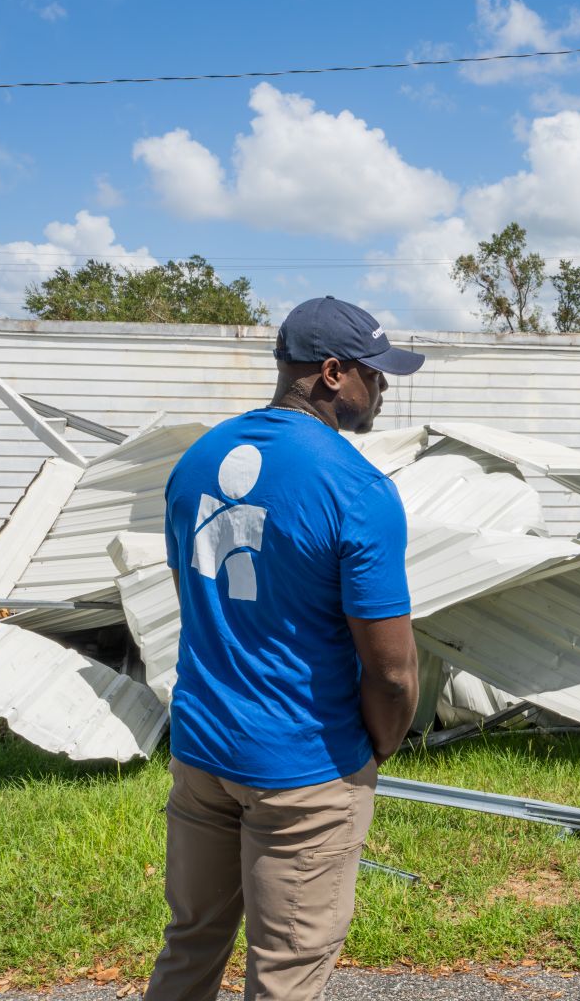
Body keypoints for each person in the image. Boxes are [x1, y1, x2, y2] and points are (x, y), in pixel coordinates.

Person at [145, 296, 422, 1001]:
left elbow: (193, 601)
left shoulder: (197, 459)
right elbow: (391, 672)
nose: (383, 388)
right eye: (375, 374)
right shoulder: (356, 488)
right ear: (333, 373)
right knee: (288, 974)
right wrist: (376, 752)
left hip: (202, 753)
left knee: (190, 945)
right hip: (303, 769)